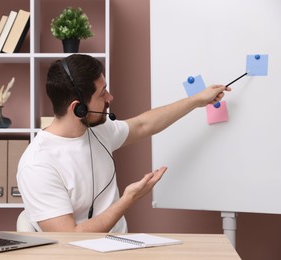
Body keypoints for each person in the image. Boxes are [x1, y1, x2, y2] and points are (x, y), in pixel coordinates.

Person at [17, 54, 229, 233]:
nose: (110, 97)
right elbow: (69, 236)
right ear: (78, 109)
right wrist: (129, 198)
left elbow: (143, 125)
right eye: (102, 94)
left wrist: (196, 101)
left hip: (121, 246)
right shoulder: (38, 164)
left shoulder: (100, 130)